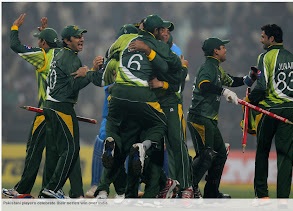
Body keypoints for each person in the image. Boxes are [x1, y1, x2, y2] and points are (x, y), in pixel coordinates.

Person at [2, 14, 83, 199]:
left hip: (45, 109)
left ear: (44, 44)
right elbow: (60, 43)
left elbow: (16, 46)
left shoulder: (43, 56)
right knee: (66, 150)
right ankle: (72, 192)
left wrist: (14, 27)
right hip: (63, 108)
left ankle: (23, 190)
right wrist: (46, 32)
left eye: (40, 41)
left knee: (34, 149)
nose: (38, 44)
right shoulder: (63, 53)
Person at [187, 37, 256, 198]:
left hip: (209, 119)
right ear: (215, 51)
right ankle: (187, 190)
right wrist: (223, 92)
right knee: (206, 155)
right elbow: (203, 85)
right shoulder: (208, 67)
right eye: (223, 47)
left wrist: (250, 78)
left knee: (219, 154)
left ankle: (211, 193)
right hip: (200, 118)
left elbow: (232, 81)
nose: (226, 50)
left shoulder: (217, 69)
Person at [39, 25, 101, 198]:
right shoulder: (71, 58)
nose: (81, 39)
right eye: (76, 37)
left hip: (50, 105)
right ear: (67, 41)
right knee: (71, 149)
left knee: (53, 151)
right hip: (62, 108)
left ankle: (61, 190)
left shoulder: (59, 53)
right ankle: (52, 189)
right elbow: (72, 88)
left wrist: (89, 72)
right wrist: (89, 73)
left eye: (81, 35)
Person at [130, 27, 193, 198]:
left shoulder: (173, 51)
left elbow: (178, 81)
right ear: (156, 33)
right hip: (153, 103)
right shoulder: (150, 51)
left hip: (171, 102)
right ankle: (166, 185)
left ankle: (187, 187)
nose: (165, 33)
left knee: (177, 145)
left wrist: (162, 84)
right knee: (153, 147)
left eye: (168, 30)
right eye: (162, 30)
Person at [246, 24, 293, 200]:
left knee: (262, 152)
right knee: (285, 157)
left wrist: (251, 100)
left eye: (263, 37)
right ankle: (283, 200)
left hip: (269, 111)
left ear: (272, 39)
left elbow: (262, 86)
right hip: (288, 111)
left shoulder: (265, 57)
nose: (261, 40)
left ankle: (262, 196)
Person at [85, 24, 139, 199]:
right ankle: (99, 185)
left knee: (118, 150)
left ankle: (123, 189)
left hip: (123, 114)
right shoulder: (118, 60)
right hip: (117, 114)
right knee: (107, 143)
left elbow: (100, 80)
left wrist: (94, 70)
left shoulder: (117, 60)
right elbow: (104, 83)